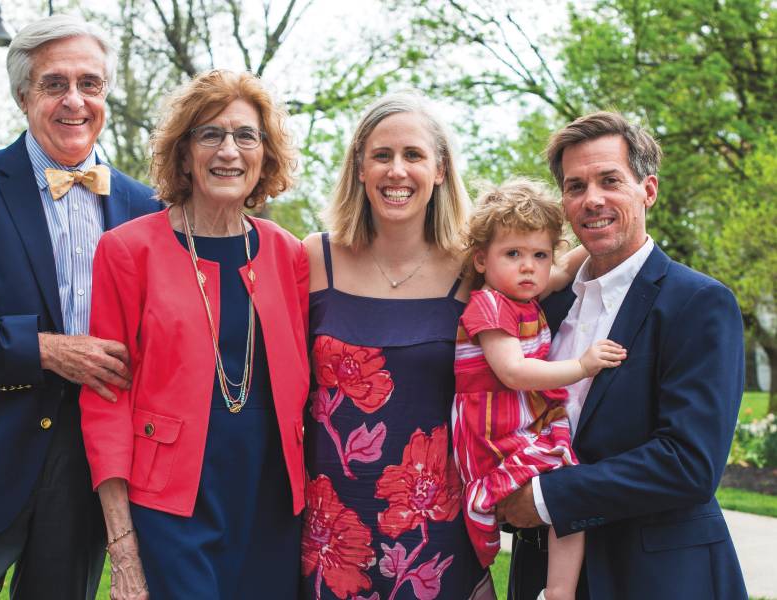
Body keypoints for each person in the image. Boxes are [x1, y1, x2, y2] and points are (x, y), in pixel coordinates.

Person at [0, 14, 160, 600]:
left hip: (89, 476)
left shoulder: (148, 208)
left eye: (90, 84)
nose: (75, 100)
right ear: (22, 96)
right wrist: (44, 350)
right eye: (54, 84)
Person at [79, 69, 309, 600]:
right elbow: (105, 399)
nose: (228, 150)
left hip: (272, 505)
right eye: (210, 134)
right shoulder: (127, 250)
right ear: (184, 154)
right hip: (171, 509)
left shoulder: (287, 252)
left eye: (245, 136)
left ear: (264, 156)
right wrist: (123, 545)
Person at [498, 111, 747, 599]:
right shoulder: (544, 304)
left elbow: (688, 463)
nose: (592, 199)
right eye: (575, 186)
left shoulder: (699, 303)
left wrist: (547, 499)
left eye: (610, 180)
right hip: (542, 576)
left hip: (659, 578)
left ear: (647, 190)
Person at [301, 92, 490, 599]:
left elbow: (553, 267)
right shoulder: (315, 259)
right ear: (360, 169)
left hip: (436, 534)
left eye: (413, 156)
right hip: (328, 538)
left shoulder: (475, 271)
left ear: (441, 171)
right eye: (381, 156)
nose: (396, 171)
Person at [451, 180, 625, 600]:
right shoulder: (489, 304)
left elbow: (566, 266)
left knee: (567, 491)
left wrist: (616, 225)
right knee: (566, 487)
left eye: (539, 254)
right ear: (481, 259)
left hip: (522, 418)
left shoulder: (531, 291)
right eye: (513, 254)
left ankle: (558, 591)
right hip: (493, 430)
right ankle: (558, 590)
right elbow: (513, 371)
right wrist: (581, 366)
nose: (528, 267)